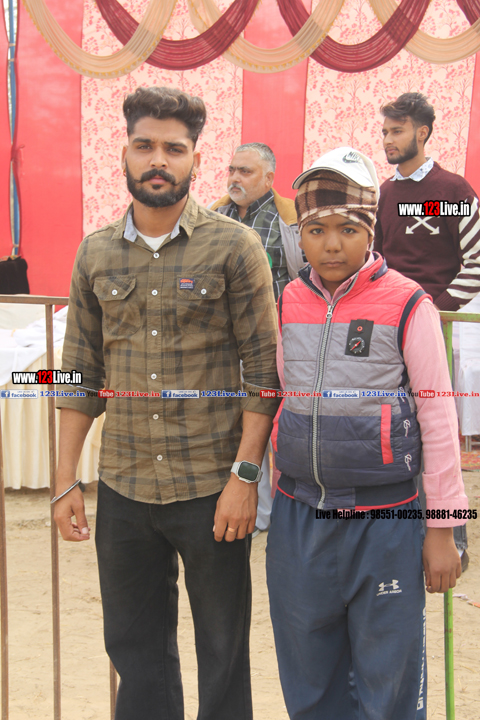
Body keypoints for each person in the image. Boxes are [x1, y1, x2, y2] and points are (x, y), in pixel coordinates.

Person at [53, 86, 279, 720]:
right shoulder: (95, 252)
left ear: (196, 161)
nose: (158, 159)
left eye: (174, 149)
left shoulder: (235, 247)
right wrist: (64, 479)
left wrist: (245, 478)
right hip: (124, 486)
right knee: (135, 650)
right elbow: (79, 375)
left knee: (223, 651)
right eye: (145, 145)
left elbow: (264, 375)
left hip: (212, 487)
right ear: (124, 153)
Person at [266, 146, 469, 720]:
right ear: (301, 237)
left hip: (386, 520)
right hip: (300, 515)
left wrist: (445, 529)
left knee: (389, 680)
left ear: (371, 231)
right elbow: (284, 398)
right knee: (309, 677)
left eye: (348, 229)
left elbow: (438, 419)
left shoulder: (407, 303)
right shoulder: (290, 300)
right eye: (317, 230)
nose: (332, 244)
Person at [375, 92, 479, 567]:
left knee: (439, 432)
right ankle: (401, 536)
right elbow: (376, 260)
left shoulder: (451, 192)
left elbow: (476, 261)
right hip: (387, 331)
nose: (387, 140)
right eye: (384, 131)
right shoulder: (384, 194)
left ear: (422, 132)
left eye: (396, 131)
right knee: (392, 429)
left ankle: (453, 538)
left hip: (434, 327)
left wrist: (431, 311)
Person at [211, 142, 304, 535]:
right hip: (228, 345)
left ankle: (283, 512)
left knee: (281, 425)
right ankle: (255, 512)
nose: (234, 178)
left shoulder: (291, 220)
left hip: (281, 344)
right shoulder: (214, 217)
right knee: (241, 427)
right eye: (232, 170)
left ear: (269, 179)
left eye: (245, 172)